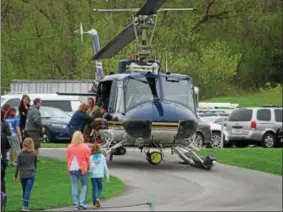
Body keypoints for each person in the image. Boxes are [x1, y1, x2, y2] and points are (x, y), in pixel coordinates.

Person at [66, 131, 91, 211]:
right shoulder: (85, 147)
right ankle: (82, 203)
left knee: (74, 186)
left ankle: (76, 204)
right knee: (84, 185)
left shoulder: (69, 147)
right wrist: (88, 167)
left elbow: (68, 158)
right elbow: (88, 159)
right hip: (82, 169)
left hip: (72, 169)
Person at [14, 137, 37, 212]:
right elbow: (35, 164)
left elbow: (18, 166)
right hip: (30, 174)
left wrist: (15, 176)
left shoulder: (20, 154)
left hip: (22, 175)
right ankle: (25, 206)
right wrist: (34, 171)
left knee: (24, 191)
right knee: (27, 191)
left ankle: (25, 206)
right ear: (31, 144)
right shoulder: (33, 153)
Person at [89, 143, 109, 209]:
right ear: (99, 149)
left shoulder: (91, 157)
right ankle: (98, 199)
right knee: (100, 188)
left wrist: (89, 172)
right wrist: (107, 176)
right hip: (100, 175)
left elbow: (90, 167)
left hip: (93, 176)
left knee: (94, 189)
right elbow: (105, 167)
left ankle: (94, 204)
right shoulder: (102, 156)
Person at [1, 110, 11, 194]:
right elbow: (9, 133)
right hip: (3, 155)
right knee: (2, 177)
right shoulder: (6, 123)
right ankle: (3, 194)